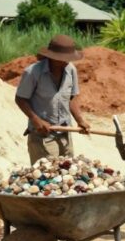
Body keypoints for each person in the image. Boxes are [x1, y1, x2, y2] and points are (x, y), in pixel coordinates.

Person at [15, 34, 91, 164]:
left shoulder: (70, 69)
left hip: (65, 134)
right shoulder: (33, 72)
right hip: (43, 136)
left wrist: (80, 120)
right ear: (52, 57)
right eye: (63, 59)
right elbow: (20, 99)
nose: (66, 62)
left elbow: (71, 98)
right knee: (47, 176)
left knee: (68, 174)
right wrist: (36, 120)